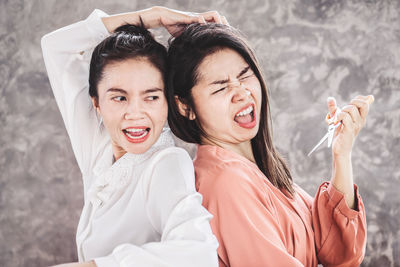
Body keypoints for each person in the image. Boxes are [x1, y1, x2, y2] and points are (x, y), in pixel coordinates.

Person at [166, 23, 369, 267]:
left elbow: (340, 254)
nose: (241, 92)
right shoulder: (226, 183)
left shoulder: (256, 167)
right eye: (221, 87)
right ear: (184, 106)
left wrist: (342, 154)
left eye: (244, 76)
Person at [41, 7, 227, 267]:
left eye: (151, 97)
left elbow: (199, 254)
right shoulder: (99, 143)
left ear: (167, 102)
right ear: (96, 103)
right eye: (119, 97)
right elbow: (54, 47)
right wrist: (152, 17)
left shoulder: (167, 163)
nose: (135, 114)